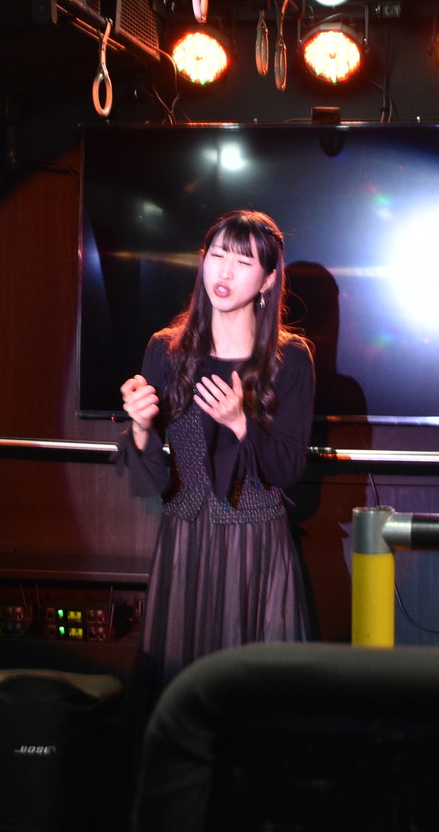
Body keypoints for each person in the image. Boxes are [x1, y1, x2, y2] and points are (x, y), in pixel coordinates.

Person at [117, 209, 315, 691]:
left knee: (252, 691)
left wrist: (240, 423)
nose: (224, 272)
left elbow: (289, 467)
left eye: (243, 263)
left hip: (256, 544)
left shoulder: (290, 358)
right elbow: (150, 479)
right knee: (179, 686)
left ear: (268, 280)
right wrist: (140, 426)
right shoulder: (166, 350)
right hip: (184, 540)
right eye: (217, 255)